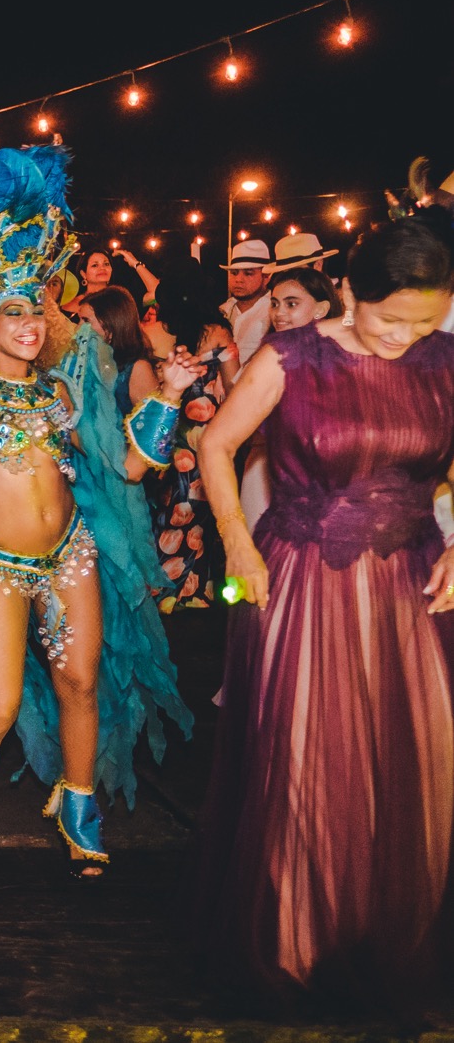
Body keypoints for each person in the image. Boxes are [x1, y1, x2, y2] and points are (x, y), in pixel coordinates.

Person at [0, 146, 196, 878]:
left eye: (35, 308)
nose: (26, 321)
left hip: (70, 555)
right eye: (10, 310)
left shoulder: (57, 393)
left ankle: (77, 801)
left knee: (78, 682)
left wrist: (168, 395)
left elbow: (128, 466)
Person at [195, 214, 454, 1002]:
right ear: (348, 290)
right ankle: (295, 936)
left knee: (412, 759)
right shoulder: (290, 356)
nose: (403, 337)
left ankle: (388, 932)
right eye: (389, 319)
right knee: (307, 756)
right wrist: (237, 544)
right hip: (301, 576)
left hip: (409, 580)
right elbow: (214, 446)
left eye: (423, 320)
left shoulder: (444, 360)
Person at [146, 260, 238, 610]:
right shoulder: (220, 335)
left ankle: (163, 593)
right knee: (200, 519)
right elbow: (234, 389)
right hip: (207, 442)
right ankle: (197, 593)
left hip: (167, 439)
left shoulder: (156, 336)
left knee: (166, 514)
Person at [237, 260, 343, 532]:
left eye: (291, 304)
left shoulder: (340, 359)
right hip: (263, 472)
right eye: (274, 303)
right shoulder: (267, 356)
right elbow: (241, 427)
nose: (279, 313)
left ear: (321, 309)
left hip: (323, 477)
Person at [76, 286, 156, 416]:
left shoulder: (137, 368)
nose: (79, 327)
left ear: (111, 325)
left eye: (86, 321)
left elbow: (153, 424)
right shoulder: (87, 359)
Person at [221, 238, 272, 376]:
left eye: (248, 273)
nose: (238, 279)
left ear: (266, 277)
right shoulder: (223, 310)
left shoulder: (273, 311)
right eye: (234, 273)